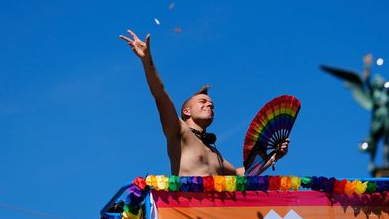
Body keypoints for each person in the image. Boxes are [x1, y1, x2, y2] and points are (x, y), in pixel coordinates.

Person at [120, 30, 289, 176]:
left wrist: (273, 157)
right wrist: (147, 61)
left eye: (212, 105)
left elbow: (240, 174)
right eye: (203, 102)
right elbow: (161, 95)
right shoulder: (178, 131)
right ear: (186, 111)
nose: (209, 106)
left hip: (214, 212)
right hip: (185, 211)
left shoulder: (216, 154)